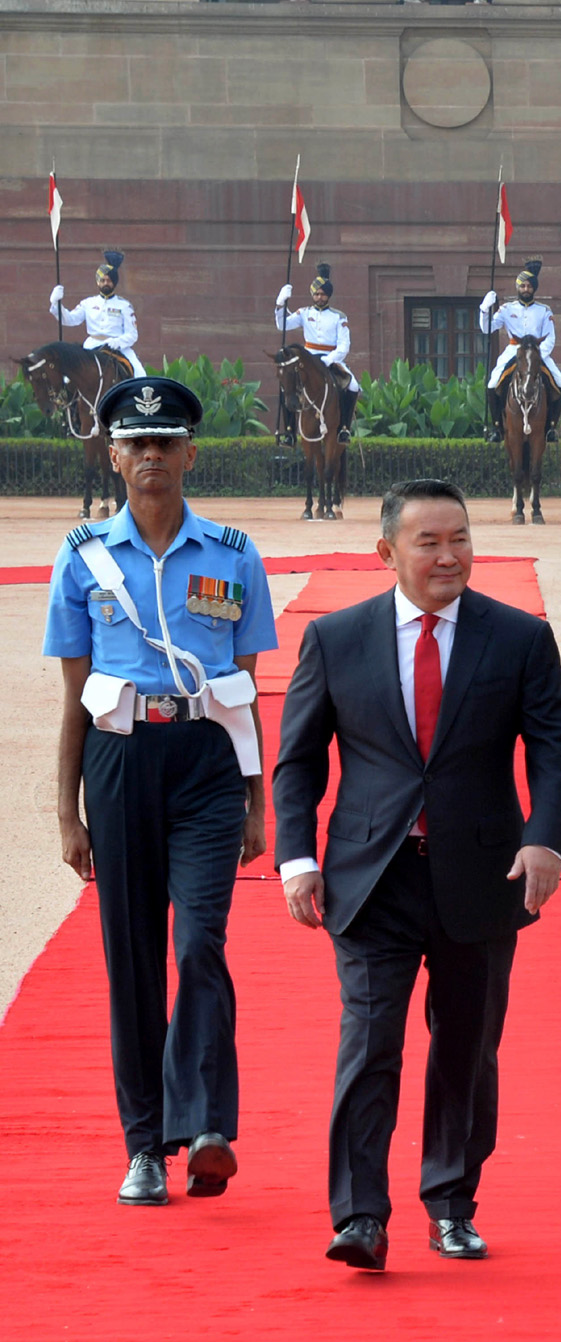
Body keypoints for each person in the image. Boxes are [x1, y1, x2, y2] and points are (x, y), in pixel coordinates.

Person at [272, 479, 561, 1270]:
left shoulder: (518, 638)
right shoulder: (336, 639)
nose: (449, 556)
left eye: (461, 539)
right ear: (387, 553)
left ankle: (451, 1204)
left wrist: (547, 840)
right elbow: (299, 761)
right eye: (429, 542)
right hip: (370, 877)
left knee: (466, 1046)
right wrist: (297, 856)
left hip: (482, 875)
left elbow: (552, 749)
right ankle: (361, 1217)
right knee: (369, 1044)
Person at [43, 375, 275, 1206]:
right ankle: (145, 1145)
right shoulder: (81, 557)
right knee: (133, 960)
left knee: (198, 944)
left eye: (165, 442)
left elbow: (247, 685)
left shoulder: (235, 554)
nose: (151, 455)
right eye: (136, 444)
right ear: (113, 456)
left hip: (208, 764)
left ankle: (207, 1125)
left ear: (190, 453)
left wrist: (256, 803)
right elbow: (74, 692)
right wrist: (66, 810)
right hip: (118, 764)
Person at [479, 258, 561, 442]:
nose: (525, 289)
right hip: (514, 350)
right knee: (492, 383)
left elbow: (550, 337)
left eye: (529, 286)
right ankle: (497, 428)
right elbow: (487, 328)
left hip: (537, 352)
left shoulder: (544, 311)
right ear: (517, 287)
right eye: (522, 286)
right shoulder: (506, 309)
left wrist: (536, 355)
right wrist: (484, 310)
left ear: (534, 288)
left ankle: (551, 427)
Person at [273, 262, 360, 444]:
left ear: (328, 295)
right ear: (312, 295)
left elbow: (344, 345)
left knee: (352, 385)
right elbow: (282, 325)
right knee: (286, 385)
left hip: (330, 358)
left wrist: (330, 359)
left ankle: (344, 428)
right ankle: (289, 432)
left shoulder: (339, 316)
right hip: (308, 358)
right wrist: (280, 303)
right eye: (317, 294)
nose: (319, 297)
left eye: (323, 294)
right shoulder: (304, 313)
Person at [51, 249, 147, 377]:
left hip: (118, 347)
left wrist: (118, 342)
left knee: (140, 374)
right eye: (102, 280)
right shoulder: (88, 303)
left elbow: (132, 334)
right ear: (98, 282)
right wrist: (56, 303)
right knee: (69, 375)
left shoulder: (124, 306)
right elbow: (69, 319)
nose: (105, 283)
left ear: (114, 282)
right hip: (92, 345)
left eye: (109, 280)